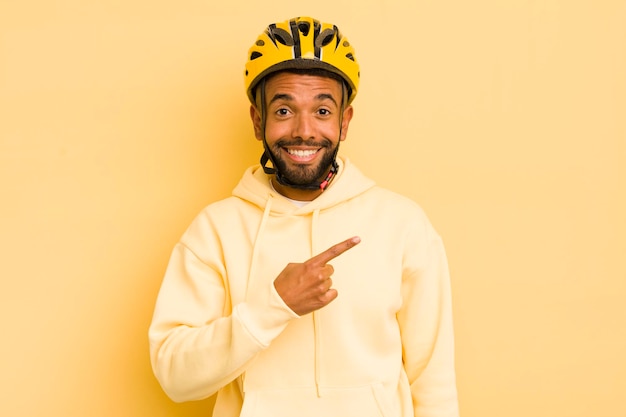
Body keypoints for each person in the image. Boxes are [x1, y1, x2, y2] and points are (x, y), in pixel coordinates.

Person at [149, 16, 459, 417]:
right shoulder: (215, 231)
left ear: (344, 122)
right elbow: (174, 377)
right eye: (283, 110)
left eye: (323, 110)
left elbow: (433, 381)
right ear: (258, 120)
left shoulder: (403, 224)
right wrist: (272, 307)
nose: (304, 130)